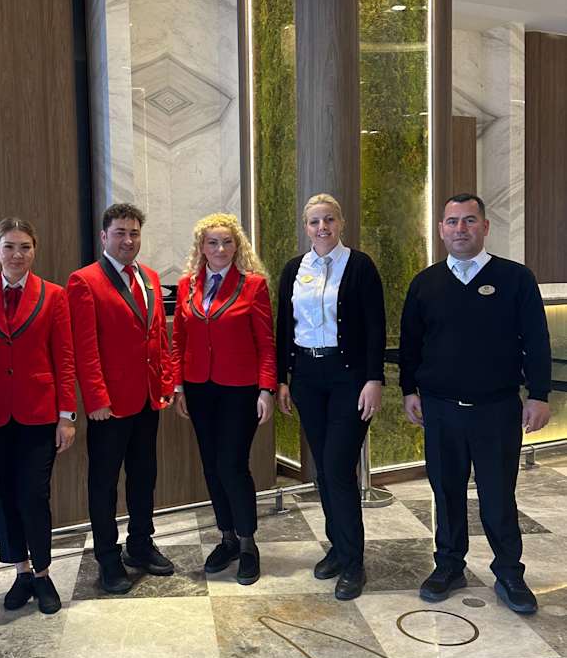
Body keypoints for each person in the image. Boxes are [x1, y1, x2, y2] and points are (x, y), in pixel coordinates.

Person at [399, 193, 551, 614]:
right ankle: (449, 566)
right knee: (445, 490)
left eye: (469, 220)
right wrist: (409, 390)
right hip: (440, 409)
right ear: (441, 229)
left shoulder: (516, 278)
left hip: (496, 409)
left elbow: (536, 340)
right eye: (452, 222)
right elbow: (411, 344)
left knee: (498, 494)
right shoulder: (425, 284)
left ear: (485, 226)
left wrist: (539, 394)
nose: (460, 229)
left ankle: (509, 572)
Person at [0, 218, 76, 615]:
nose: (17, 254)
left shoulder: (54, 296)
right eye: (9, 246)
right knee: (3, 493)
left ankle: (42, 573)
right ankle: (21, 571)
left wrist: (66, 416)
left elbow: (64, 358)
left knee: (34, 494)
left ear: (34, 250)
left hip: (38, 413)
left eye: (25, 246)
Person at [276, 194, 386, 600]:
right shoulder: (294, 269)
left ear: (341, 223)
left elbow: (375, 326)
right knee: (323, 469)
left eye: (329, 220)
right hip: (307, 378)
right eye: (314, 222)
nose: (322, 228)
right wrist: (282, 379)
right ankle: (338, 548)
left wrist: (374, 379)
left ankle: (354, 562)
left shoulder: (359, 266)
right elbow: (284, 326)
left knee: (339, 468)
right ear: (305, 227)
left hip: (348, 378)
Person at [67, 203, 174, 594]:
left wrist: (166, 383)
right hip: (108, 405)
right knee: (104, 483)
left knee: (144, 476)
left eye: (134, 233)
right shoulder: (84, 281)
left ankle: (140, 544)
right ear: (104, 236)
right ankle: (108, 559)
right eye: (120, 233)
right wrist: (96, 398)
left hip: (147, 398)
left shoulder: (150, 277)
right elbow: (85, 348)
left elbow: (158, 337)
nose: (128, 240)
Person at [172, 213, 276, 585]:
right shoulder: (186, 286)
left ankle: (248, 543)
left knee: (232, 465)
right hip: (199, 388)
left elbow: (266, 344)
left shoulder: (253, 286)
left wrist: (266, 389)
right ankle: (227, 537)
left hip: (240, 389)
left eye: (227, 242)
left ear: (237, 246)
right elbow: (179, 340)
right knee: (212, 466)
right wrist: (178, 387)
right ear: (202, 247)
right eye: (212, 242)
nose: (220, 249)